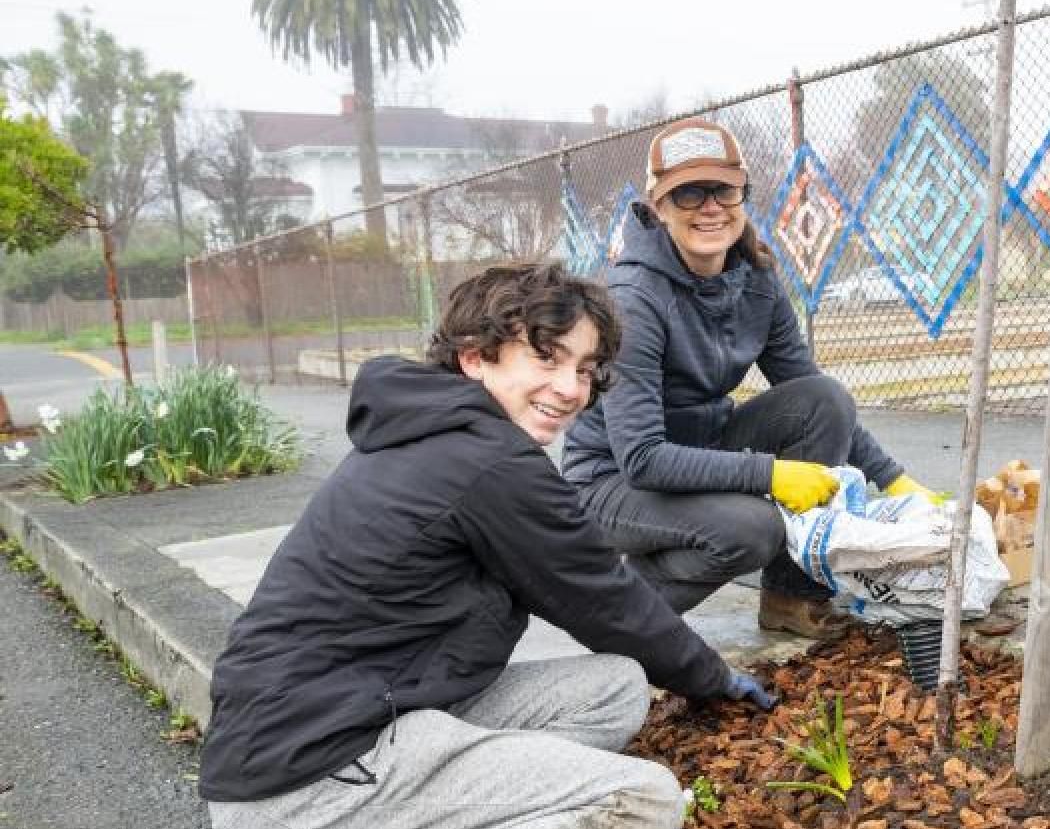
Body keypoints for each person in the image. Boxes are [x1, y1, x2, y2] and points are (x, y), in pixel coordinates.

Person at [199, 263, 776, 829]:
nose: (571, 388)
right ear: (475, 356)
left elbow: (603, 600)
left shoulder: (435, 430)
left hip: (371, 709)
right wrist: (714, 678)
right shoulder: (489, 461)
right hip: (309, 777)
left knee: (617, 687)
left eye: (586, 369)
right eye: (547, 357)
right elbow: (605, 600)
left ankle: (459, 797)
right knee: (645, 799)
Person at [563, 117, 931, 638]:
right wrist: (770, 475)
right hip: (611, 481)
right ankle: (619, 617)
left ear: (742, 196)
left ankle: (791, 596)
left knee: (821, 401)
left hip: (703, 444)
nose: (710, 206)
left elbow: (816, 396)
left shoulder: (755, 279)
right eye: (688, 193)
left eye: (724, 190)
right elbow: (642, 458)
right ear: (658, 205)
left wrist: (892, 479)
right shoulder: (634, 301)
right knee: (751, 530)